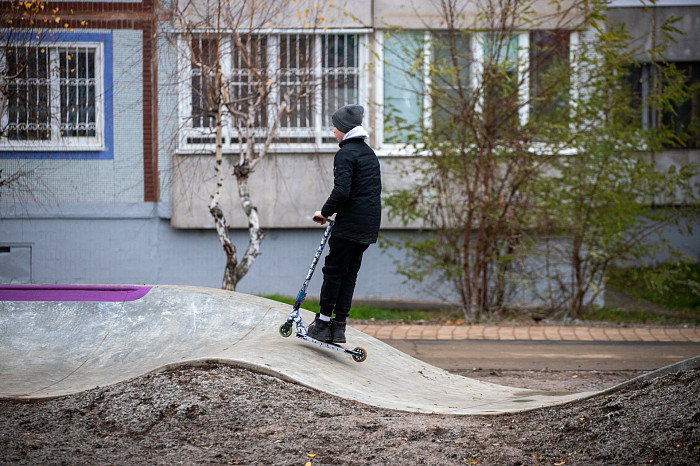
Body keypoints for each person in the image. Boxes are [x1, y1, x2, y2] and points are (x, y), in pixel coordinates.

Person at [307, 104, 382, 344]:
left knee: (333, 273)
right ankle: (339, 327)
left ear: (345, 129)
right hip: (368, 227)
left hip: (349, 226)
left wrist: (324, 212)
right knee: (349, 274)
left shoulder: (345, 154)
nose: (332, 130)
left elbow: (342, 191)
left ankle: (322, 324)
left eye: (335, 126)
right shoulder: (368, 153)